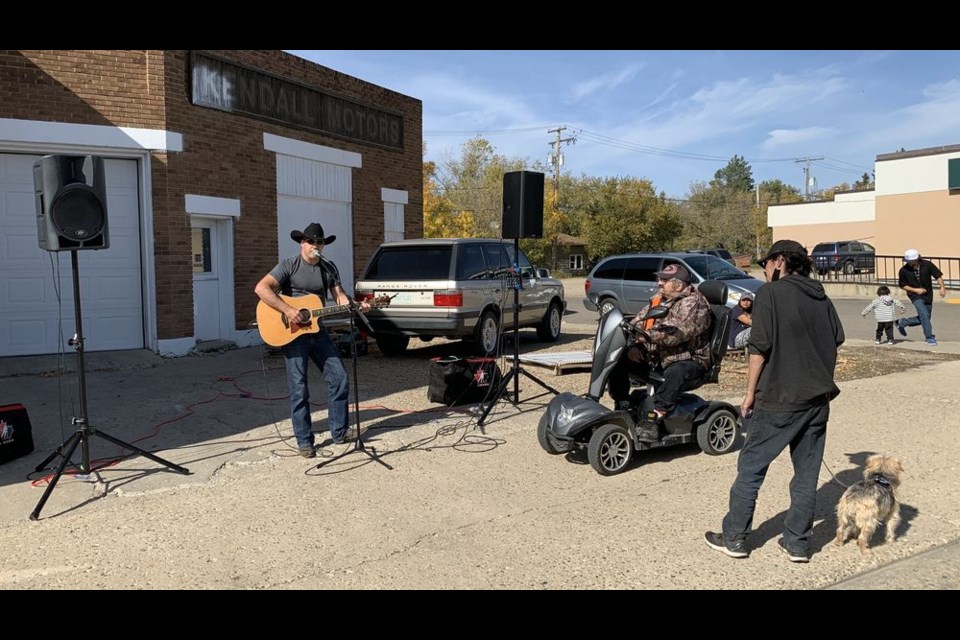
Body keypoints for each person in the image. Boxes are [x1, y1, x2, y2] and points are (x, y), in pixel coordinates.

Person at [705, 239, 844, 563]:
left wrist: (750, 392)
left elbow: (759, 346)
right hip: (817, 399)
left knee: (751, 469)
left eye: (766, 263)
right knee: (807, 476)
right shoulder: (820, 295)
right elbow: (837, 339)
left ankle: (735, 538)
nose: (764, 270)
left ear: (780, 261)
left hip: (779, 398)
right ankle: (797, 544)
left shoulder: (771, 293)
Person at [255, 222, 371, 458]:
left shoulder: (328, 268)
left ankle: (339, 431)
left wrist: (357, 307)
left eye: (320, 242)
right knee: (299, 388)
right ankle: (304, 441)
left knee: (339, 377)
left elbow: (339, 298)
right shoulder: (289, 265)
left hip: (317, 332)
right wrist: (288, 310)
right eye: (311, 241)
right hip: (292, 333)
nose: (315, 245)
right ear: (302, 243)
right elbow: (261, 288)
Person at [608, 263, 711, 443]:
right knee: (618, 358)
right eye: (659, 279)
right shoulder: (661, 299)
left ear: (678, 285)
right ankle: (623, 404)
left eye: (664, 280)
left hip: (690, 360)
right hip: (659, 357)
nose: (659, 283)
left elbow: (676, 334)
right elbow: (638, 322)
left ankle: (654, 417)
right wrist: (633, 345)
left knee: (676, 371)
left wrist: (646, 337)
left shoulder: (693, 303)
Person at [897, 249, 946, 346]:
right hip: (914, 296)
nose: (910, 263)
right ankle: (929, 337)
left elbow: (938, 276)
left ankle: (902, 322)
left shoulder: (927, 265)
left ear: (918, 258)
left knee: (926, 317)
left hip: (928, 295)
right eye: (908, 261)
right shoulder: (903, 270)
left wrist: (942, 287)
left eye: (912, 261)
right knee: (924, 315)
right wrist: (916, 290)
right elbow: (902, 285)